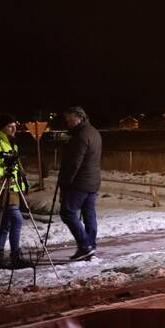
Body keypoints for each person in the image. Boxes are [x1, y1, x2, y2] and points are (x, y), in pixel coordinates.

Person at [0, 114, 31, 269]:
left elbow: (17, 167)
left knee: (6, 224)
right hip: (1, 188)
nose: (14, 129)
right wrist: (3, 175)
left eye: (15, 125)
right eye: (10, 126)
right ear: (2, 128)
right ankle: (15, 256)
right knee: (17, 220)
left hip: (13, 189)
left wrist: (24, 182)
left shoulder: (10, 144)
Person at [58, 106, 102, 260]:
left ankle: (85, 246)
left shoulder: (81, 136)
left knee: (67, 212)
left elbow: (74, 163)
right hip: (92, 181)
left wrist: (64, 183)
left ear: (80, 117)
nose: (69, 123)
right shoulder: (94, 132)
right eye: (67, 120)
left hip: (80, 182)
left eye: (71, 120)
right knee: (89, 214)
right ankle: (90, 246)